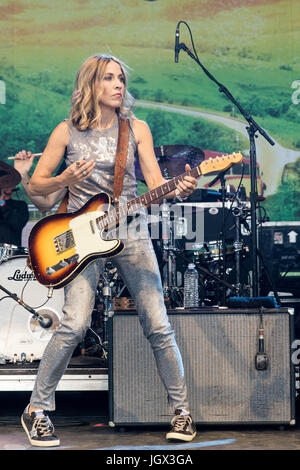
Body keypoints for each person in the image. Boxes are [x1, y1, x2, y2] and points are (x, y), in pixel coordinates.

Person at [21, 54, 198, 447]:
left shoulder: (137, 129)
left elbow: (154, 187)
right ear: (91, 85)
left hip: (131, 230)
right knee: (74, 325)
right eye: (109, 78)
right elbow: (36, 189)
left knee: (158, 323)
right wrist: (65, 178)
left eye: (121, 78)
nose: (118, 85)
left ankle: (183, 412)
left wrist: (177, 189)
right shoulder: (65, 132)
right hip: (82, 237)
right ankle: (37, 410)